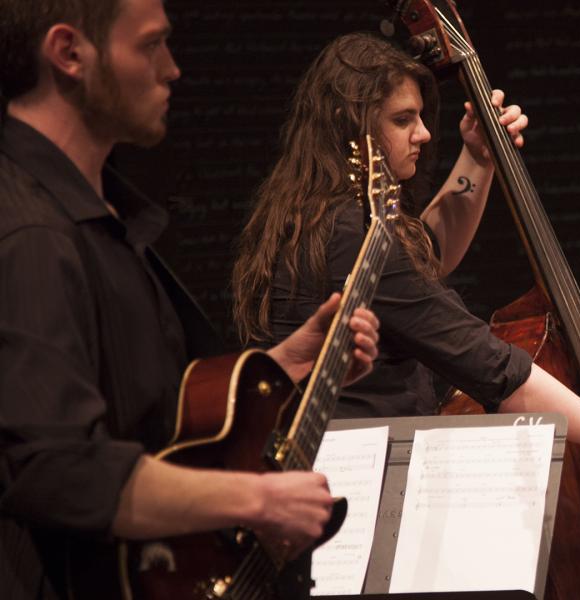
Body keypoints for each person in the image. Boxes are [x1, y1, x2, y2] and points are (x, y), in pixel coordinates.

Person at [0, 1, 381, 597]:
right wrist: (256, 498)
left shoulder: (98, 214)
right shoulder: (31, 235)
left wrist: (287, 363)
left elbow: (149, 415)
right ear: (69, 52)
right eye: (151, 45)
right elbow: (58, 468)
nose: (173, 68)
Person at [230, 33, 580, 495]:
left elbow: (426, 257)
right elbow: (492, 367)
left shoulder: (316, 213)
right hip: (359, 490)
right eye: (403, 120)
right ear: (348, 123)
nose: (422, 133)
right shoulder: (349, 234)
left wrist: (479, 158)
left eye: (420, 116)